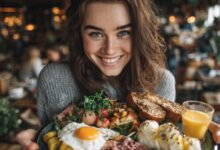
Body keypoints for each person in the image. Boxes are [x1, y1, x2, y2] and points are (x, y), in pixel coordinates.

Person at [16, 0, 220, 149]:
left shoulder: (162, 82)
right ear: (79, 34)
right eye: (95, 34)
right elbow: (48, 136)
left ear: (139, 33)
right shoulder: (54, 79)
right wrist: (32, 137)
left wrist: (191, 140)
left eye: (123, 32)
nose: (110, 49)